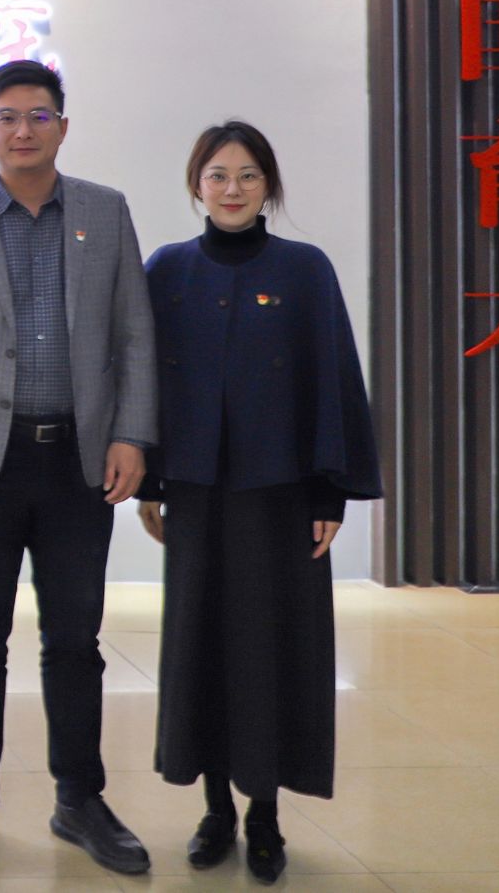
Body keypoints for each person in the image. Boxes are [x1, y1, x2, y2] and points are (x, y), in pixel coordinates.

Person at [0, 58, 156, 878]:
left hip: (80, 460)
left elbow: (134, 333)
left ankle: (78, 796)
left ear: (63, 126)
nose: (23, 130)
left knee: (74, 637)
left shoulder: (104, 211)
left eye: (38, 115)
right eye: (7, 116)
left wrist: (132, 434)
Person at [137, 121, 381, 886]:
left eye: (247, 175)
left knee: (272, 648)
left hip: (280, 496)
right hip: (196, 492)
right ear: (196, 184)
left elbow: (333, 379)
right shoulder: (166, 269)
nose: (232, 188)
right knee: (202, 643)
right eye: (218, 174)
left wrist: (330, 490)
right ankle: (215, 809)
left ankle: (266, 814)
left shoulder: (305, 270)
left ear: (268, 185)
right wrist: (149, 480)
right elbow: (141, 379)